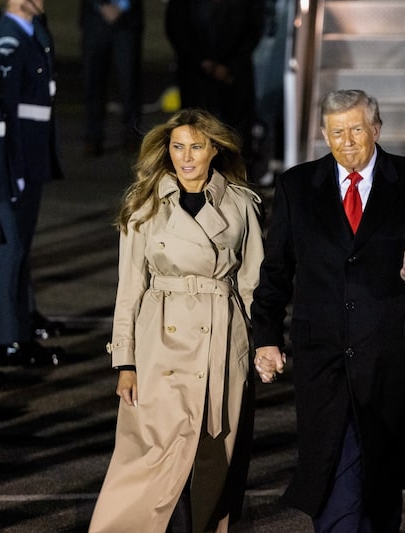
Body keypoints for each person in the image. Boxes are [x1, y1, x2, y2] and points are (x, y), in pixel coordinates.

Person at [251, 89, 405, 531]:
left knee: (380, 486)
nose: (346, 141)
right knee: (335, 476)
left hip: (390, 359)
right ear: (324, 135)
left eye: (356, 130)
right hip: (323, 358)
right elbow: (275, 271)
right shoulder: (296, 186)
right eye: (336, 132)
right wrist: (266, 336)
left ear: (377, 130)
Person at [89, 108, 264, 533]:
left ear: (214, 149)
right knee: (154, 459)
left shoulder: (241, 204)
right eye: (178, 146)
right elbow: (129, 288)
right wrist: (125, 362)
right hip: (159, 343)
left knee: (210, 461)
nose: (186, 157)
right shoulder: (143, 204)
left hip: (220, 341)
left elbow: (253, 284)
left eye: (196, 147)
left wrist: (258, 348)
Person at [0, 0, 64, 366]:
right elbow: (6, 115)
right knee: (9, 252)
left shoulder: (34, 32)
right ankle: (9, 340)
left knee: (20, 252)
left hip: (32, 160)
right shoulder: (8, 40)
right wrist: (12, 170)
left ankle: (21, 331)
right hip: (17, 163)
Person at [165, 0, 264, 177]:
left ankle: (238, 180)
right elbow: (176, 27)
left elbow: (254, 28)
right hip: (195, 75)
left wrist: (229, 67)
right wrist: (202, 62)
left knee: (237, 133)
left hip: (235, 76)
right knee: (195, 128)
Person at [79, 0, 144, 156]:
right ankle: (93, 136)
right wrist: (102, 5)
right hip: (95, 22)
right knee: (93, 81)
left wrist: (121, 6)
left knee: (128, 82)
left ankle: (132, 133)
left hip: (126, 23)